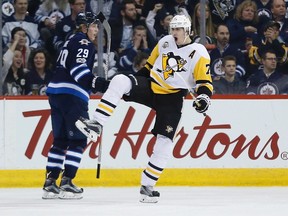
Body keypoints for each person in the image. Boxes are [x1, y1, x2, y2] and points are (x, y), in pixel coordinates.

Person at [75, 14, 213, 203]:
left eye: (178, 29)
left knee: (165, 141)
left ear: (187, 30)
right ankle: (96, 124)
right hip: (151, 87)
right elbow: (147, 68)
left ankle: (147, 185)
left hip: (172, 98)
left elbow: (204, 81)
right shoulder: (165, 42)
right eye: (172, 29)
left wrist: (204, 98)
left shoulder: (199, 52)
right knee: (121, 79)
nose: (174, 33)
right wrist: (130, 84)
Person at [42, 12, 110, 199]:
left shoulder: (69, 40)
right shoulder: (84, 43)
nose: (96, 30)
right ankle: (67, 182)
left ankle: (50, 183)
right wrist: (99, 83)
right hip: (72, 95)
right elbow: (78, 70)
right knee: (79, 140)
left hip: (56, 93)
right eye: (94, 26)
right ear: (84, 27)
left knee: (61, 140)